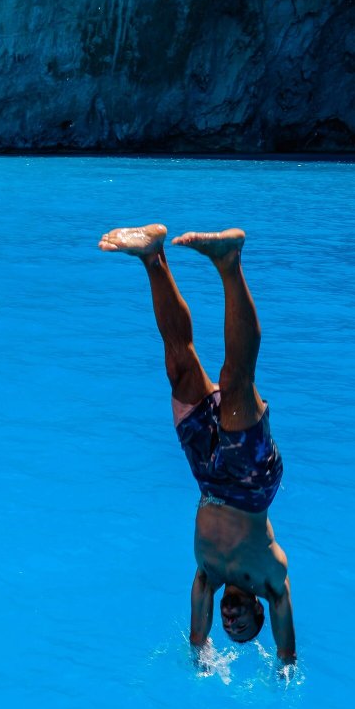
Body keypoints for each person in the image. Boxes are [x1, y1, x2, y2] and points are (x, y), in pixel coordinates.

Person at [98, 224, 296, 665]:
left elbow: (198, 638)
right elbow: (286, 639)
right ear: (258, 612)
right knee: (235, 379)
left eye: (229, 628)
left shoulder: (207, 577)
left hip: (205, 476)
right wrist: (285, 664)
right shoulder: (271, 579)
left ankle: (153, 255)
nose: (232, 622)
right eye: (242, 626)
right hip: (250, 486)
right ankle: (230, 261)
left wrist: (201, 654)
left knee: (180, 366)